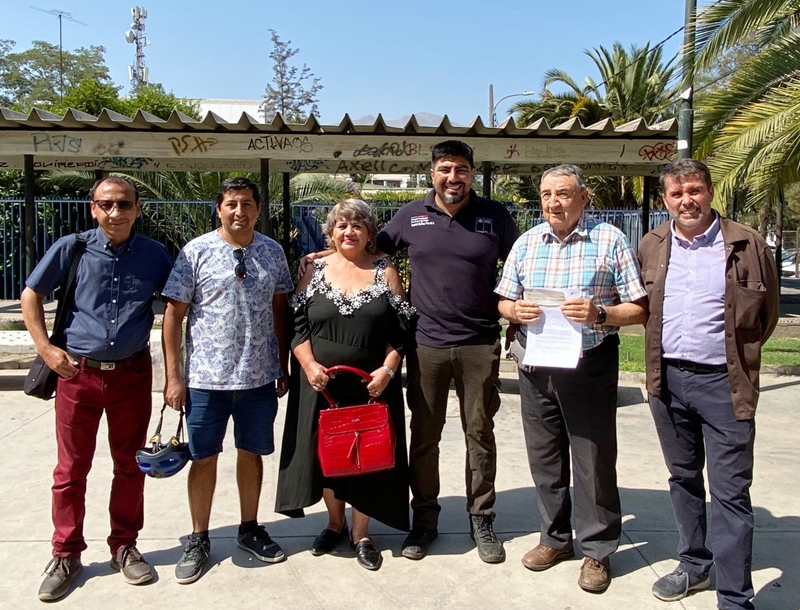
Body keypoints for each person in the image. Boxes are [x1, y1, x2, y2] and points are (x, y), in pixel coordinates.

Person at [302, 140, 519, 563]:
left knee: (480, 433)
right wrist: (329, 252)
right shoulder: (411, 215)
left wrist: (515, 316)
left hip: (479, 343)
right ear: (432, 173)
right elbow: (367, 248)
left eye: (461, 169)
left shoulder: (495, 216)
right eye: (445, 169)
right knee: (424, 437)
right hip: (426, 345)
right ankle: (425, 520)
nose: (453, 177)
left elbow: (520, 265)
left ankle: (481, 518)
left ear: (471, 174)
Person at [495, 164, 648, 593]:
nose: (553, 202)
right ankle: (555, 539)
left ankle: (597, 551)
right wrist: (514, 310)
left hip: (589, 364)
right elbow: (503, 300)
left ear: (583, 198)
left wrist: (600, 313)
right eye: (546, 194)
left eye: (563, 193)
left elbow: (639, 308)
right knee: (544, 458)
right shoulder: (527, 243)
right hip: (535, 366)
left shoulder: (610, 240)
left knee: (593, 460)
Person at [21, 176, 173, 601]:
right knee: (71, 470)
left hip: (131, 375)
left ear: (137, 209)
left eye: (124, 204)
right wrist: (46, 349)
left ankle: (124, 545)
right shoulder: (72, 248)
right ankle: (66, 553)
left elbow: (178, 304)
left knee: (130, 465)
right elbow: (31, 294)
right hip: (78, 374)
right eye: (106, 204)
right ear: (93, 208)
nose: (115, 212)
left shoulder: (155, 255)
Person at [638, 159, 779, 609]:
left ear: (710, 191)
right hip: (668, 382)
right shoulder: (652, 244)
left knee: (730, 492)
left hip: (724, 384)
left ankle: (735, 598)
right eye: (677, 194)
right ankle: (693, 565)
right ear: (665, 199)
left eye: (694, 190)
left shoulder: (747, 244)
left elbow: (766, 317)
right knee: (683, 479)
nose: (687, 201)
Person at [161, 177, 293, 584]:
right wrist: (173, 376)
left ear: (258, 209)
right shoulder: (195, 252)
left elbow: (281, 310)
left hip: (258, 378)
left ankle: (249, 527)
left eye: (247, 203)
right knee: (203, 458)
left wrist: (282, 364)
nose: (240, 211)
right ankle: (198, 537)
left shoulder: (272, 252)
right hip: (205, 379)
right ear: (218, 209)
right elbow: (173, 315)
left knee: (252, 454)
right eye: (232, 204)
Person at [275, 199, 413, 571]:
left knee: (367, 454)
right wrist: (308, 365)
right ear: (331, 232)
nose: (348, 232)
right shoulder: (313, 269)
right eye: (341, 225)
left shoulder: (386, 271)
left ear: (369, 233)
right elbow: (297, 325)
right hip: (320, 384)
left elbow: (401, 330)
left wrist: (387, 370)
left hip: (372, 386)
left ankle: (361, 533)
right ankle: (334, 524)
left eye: (357, 225)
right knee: (326, 452)